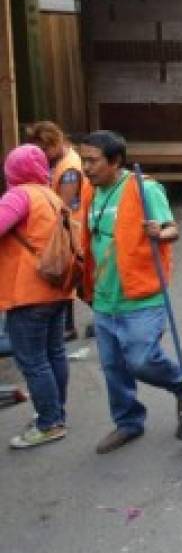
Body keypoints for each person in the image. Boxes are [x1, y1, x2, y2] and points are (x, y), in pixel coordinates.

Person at [79, 131, 182, 454]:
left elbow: (173, 228)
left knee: (141, 360)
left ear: (115, 161)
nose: (86, 168)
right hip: (105, 297)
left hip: (142, 294)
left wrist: (161, 232)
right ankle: (128, 421)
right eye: (83, 160)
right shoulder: (91, 194)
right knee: (114, 366)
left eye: (93, 161)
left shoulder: (144, 189)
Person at [1, 145, 73, 449]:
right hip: (56, 287)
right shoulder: (50, 195)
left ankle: (49, 423)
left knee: (33, 361)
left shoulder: (18, 196)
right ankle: (56, 413)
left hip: (27, 291)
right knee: (54, 352)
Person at [27, 121, 87, 340]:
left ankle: (82, 324)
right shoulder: (62, 160)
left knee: (74, 279)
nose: (42, 154)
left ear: (55, 143)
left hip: (70, 228)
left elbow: (63, 204)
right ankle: (70, 326)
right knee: (71, 280)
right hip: (69, 228)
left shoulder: (69, 169)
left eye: (44, 149)